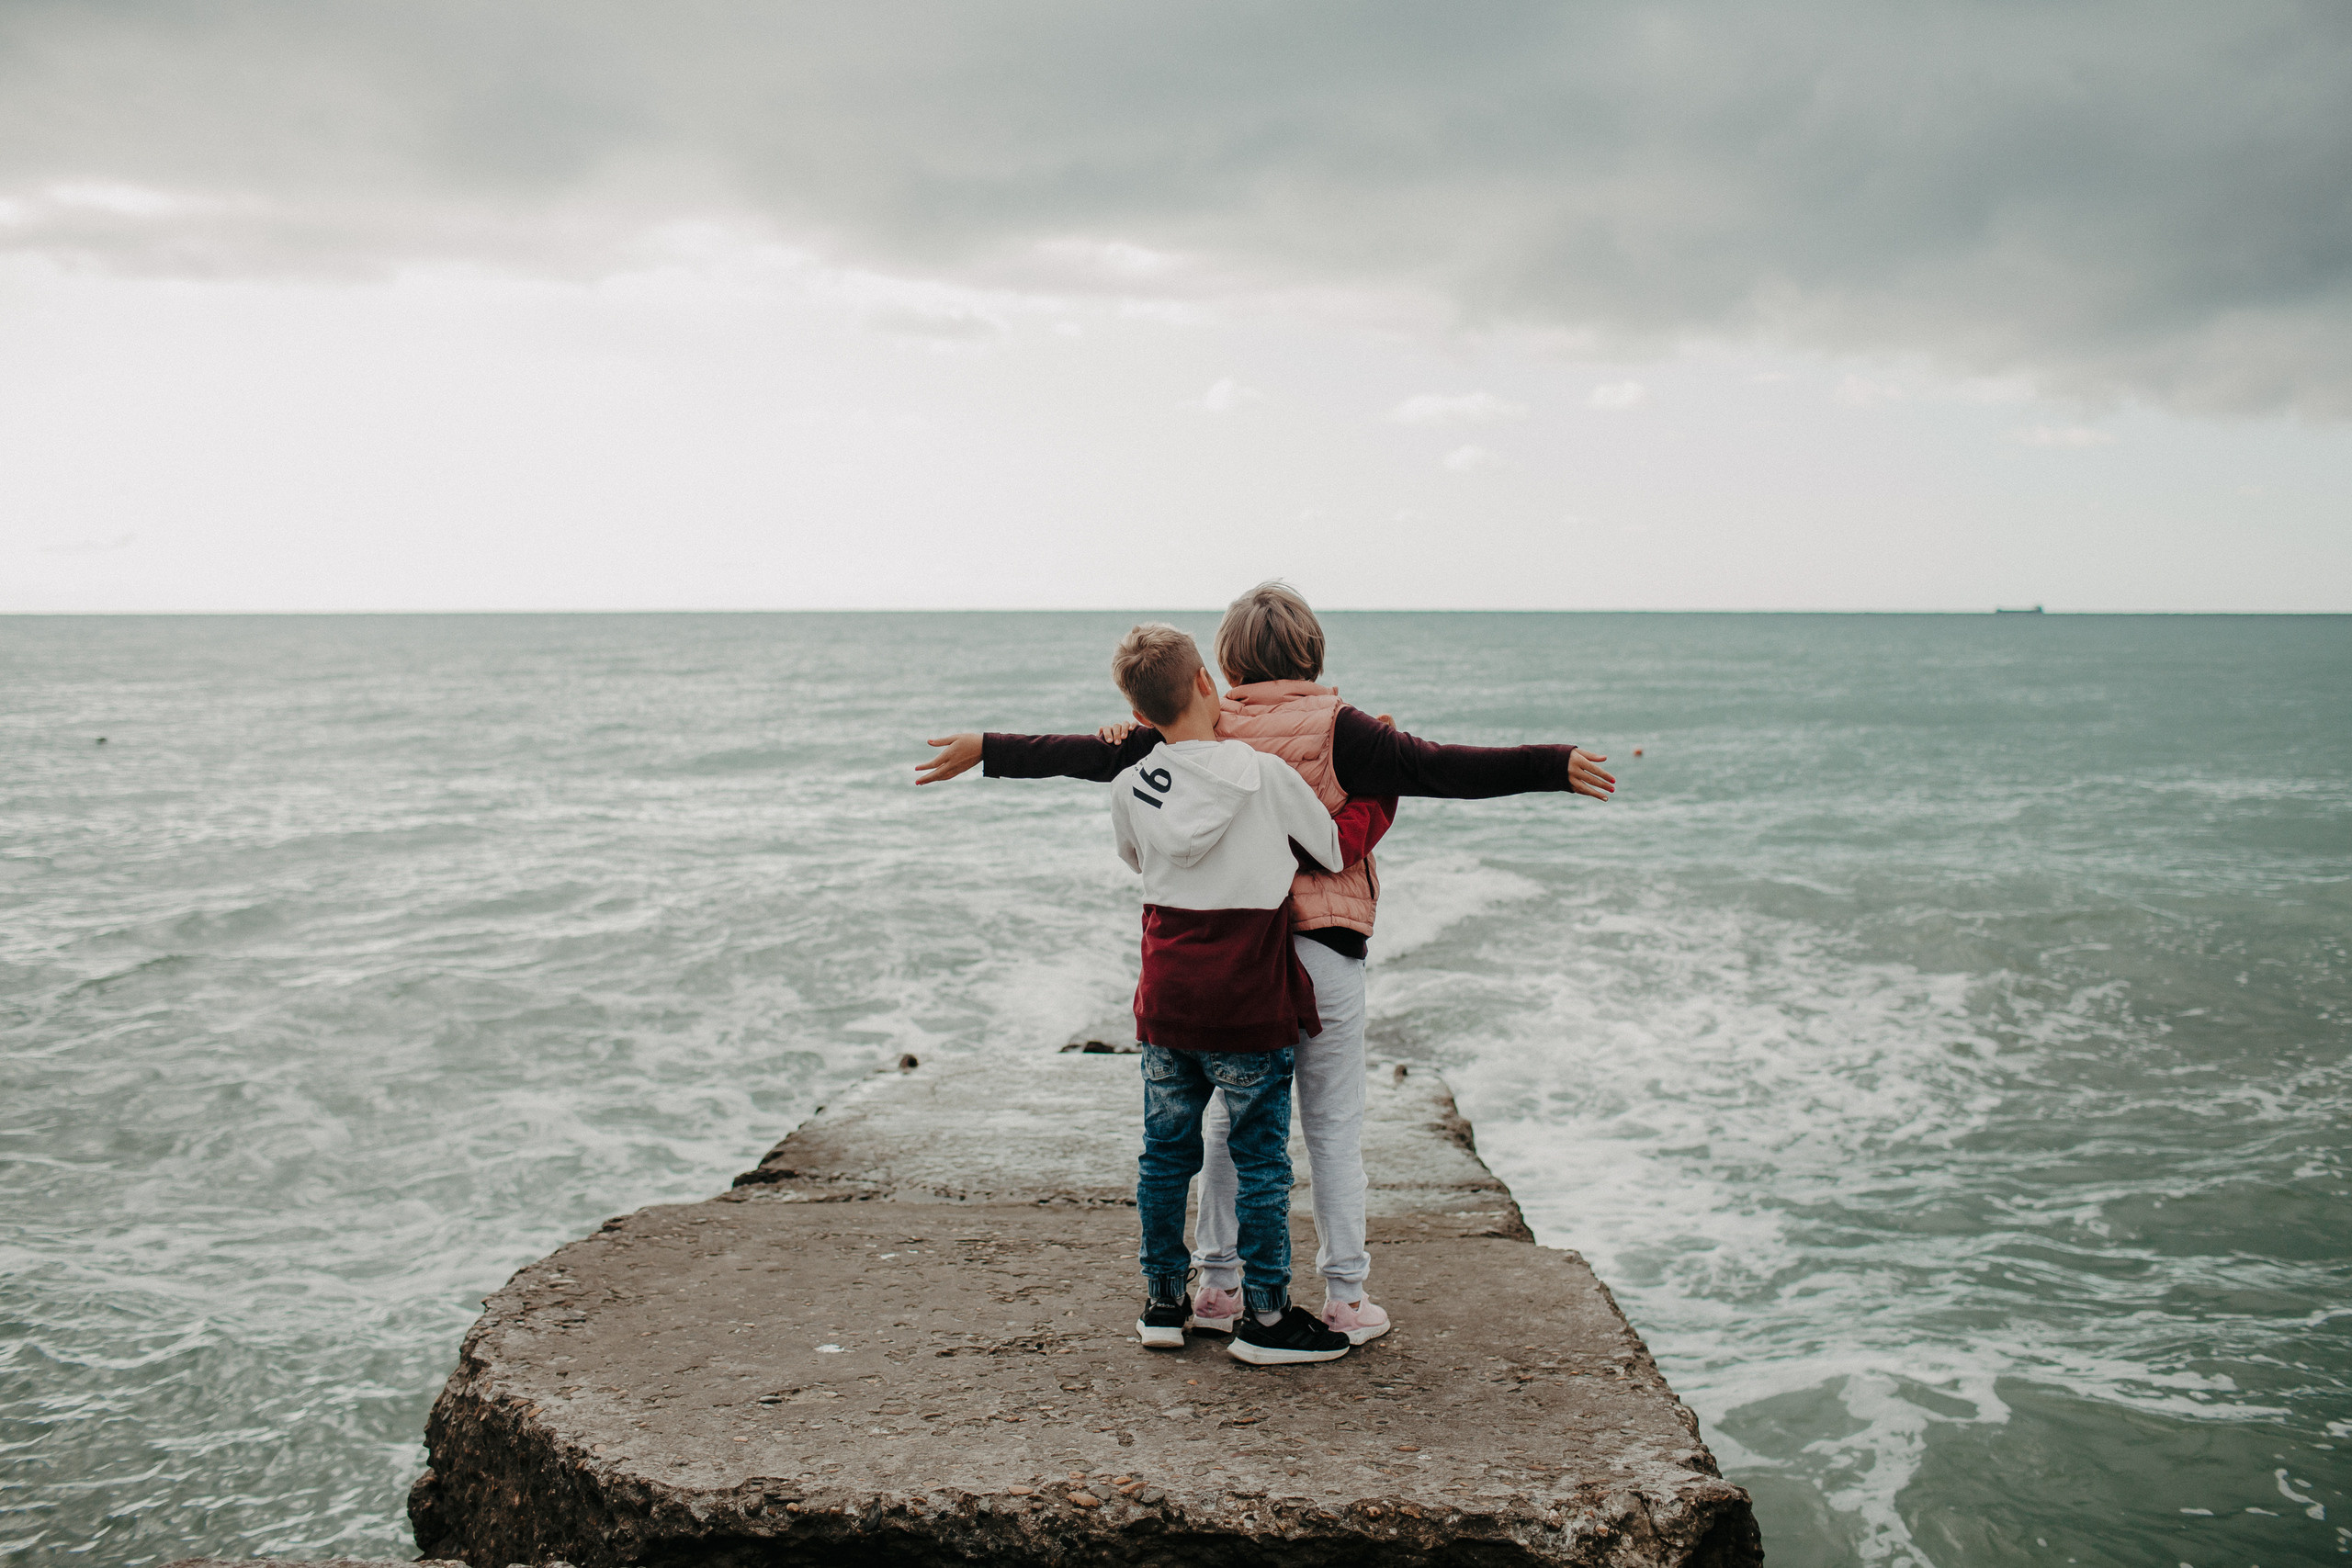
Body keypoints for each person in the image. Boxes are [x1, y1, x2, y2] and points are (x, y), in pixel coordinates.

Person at [917, 582, 1613, 1344]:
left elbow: (1086, 757)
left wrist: (988, 748)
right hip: (1325, 946)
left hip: (1233, 956)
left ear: (1222, 664)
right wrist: (1554, 763)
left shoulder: (1201, 728)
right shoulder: (1347, 729)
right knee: (1333, 1127)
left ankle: (1216, 1287)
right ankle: (1346, 1296)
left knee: (1227, 1125)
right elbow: (1450, 768)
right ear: (1312, 652)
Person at [1103, 621, 1366, 1366]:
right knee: (1259, 1161)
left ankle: (1163, 1302)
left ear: (1139, 709)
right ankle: (1268, 1318)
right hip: (1248, 1004)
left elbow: (1137, 858)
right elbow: (1330, 847)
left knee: (1164, 1154)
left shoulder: (1130, 784)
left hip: (1166, 1003)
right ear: (1203, 683)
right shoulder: (1265, 774)